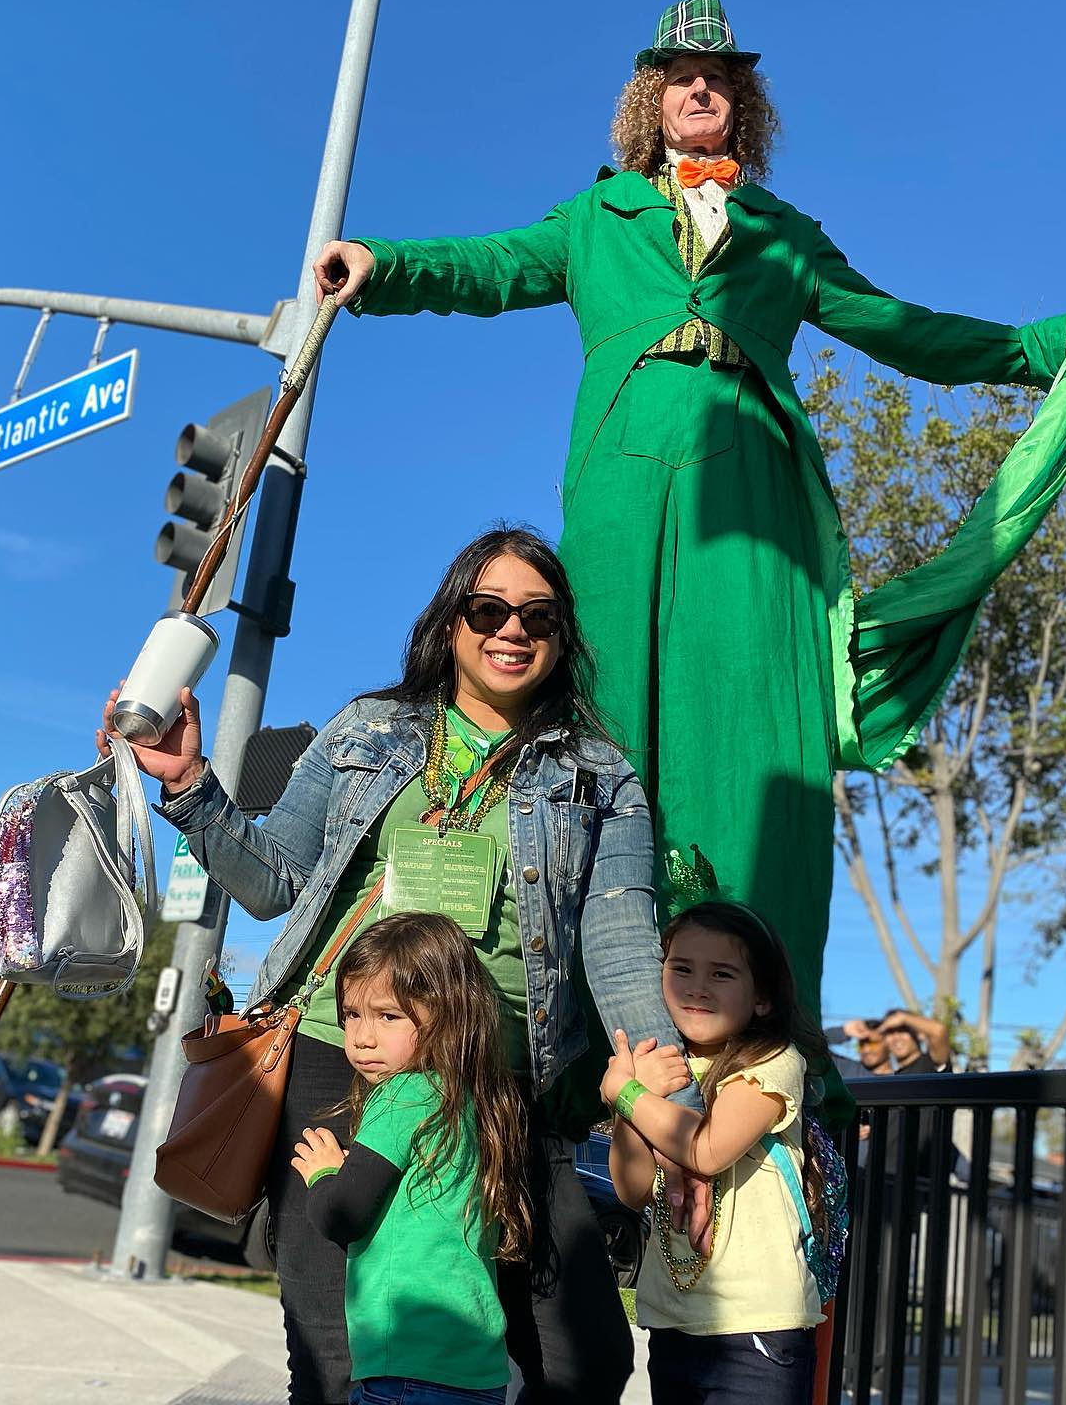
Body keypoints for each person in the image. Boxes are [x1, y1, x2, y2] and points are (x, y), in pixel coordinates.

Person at [309, 0, 1066, 1106]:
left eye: (721, 77)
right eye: (681, 76)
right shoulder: (596, 218)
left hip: (754, 492)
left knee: (754, 730)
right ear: (650, 99)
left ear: (744, 102)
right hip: (623, 483)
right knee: (602, 720)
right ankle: (581, 1054)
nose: (701, 88)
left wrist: (1044, 343)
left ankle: (758, 1044)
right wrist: (383, 263)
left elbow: (901, 328)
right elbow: (492, 264)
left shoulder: (785, 235)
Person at [103, 525, 692, 1405]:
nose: (512, 629)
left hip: (497, 1080)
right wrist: (188, 786)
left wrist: (676, 1113)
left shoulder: (599, 776)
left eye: (538, 616)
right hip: (336, 1057)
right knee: (335, 1352)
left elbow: (620, 946)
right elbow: (273, 883)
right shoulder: (367, 730)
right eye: (487, 609)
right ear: (450, 623)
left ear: (561, 637)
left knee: (581, 1359)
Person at [292, 911, 528, 1405]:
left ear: (446, 1014)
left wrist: (324, 1174)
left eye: (388, 1016)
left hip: (406, 1366)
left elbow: (342, 1215)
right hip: (478, 1373)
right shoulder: (471, 1099)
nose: (362, 1037)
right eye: (351, 1015)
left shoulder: (403, 1095)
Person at [602, 900, 830, 1405]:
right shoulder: (660, 1069)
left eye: (722, 974)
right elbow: (632, 1189)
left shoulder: (773, 1061)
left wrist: (626, 1093)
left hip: (758, 1326)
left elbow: (706, 1149)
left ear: (762, 998)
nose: (697, 987)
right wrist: (631, 1103)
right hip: (673, 1322)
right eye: (681, 968)